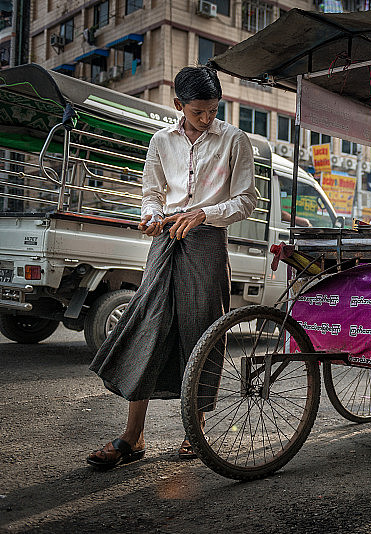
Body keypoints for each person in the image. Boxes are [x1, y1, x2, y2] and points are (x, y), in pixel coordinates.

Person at [86, 66, 258, 470]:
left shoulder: (235, 139)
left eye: (214, 110)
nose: (207, 118)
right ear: (178, 105)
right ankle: (133, 435)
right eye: (199, 111)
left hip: (207, 239)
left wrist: (203, 214)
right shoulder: (161, 141)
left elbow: (246, 200)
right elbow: (151, 192)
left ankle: (194, 428)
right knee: (147, 325)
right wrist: (150, 215)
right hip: (166, 238)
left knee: (201, 330)